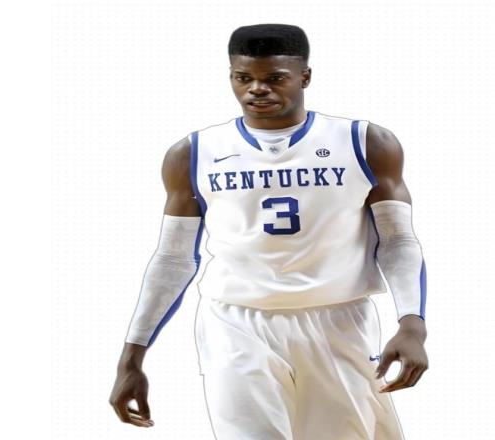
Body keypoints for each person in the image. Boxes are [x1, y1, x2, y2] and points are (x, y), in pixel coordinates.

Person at [109, 23, 429, 439]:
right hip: (234, 322)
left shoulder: (365, 142)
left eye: (274, 78)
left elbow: (398, 240)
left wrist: (412, 324)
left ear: (304, 77)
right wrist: (132, 355)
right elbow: (173, 258)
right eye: (243, 78)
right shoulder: (193, 153)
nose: (257, 89)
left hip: (338, 320)